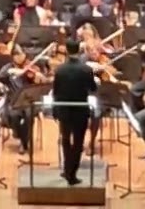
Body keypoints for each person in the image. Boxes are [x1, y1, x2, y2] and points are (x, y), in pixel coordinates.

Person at [52, 38, 98, 185]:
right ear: (79, 50)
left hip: (64, 110)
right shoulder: (86, 69)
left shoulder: (59, 70)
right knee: (78, 142)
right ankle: (73, 173)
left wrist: (55, 110)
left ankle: (66, 170)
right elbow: (92, 88)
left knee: (65, 140)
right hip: (80, 110)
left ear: (66, 50)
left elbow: (56, 92)